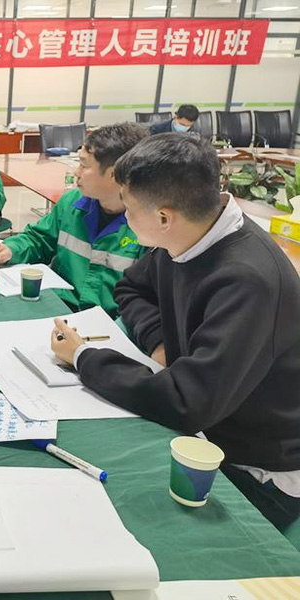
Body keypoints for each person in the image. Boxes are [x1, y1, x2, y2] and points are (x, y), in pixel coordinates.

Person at [51, 133, 300, 532]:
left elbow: (186, 402)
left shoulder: (248, 281)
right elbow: (131, 288)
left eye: (129, 208)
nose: (125, 218)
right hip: (204, 426)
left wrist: (84, 357)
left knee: (124, 518)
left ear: (164, 218)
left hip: (253, 467)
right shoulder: (188, 236)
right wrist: (159, 341)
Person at [0, 123, 149, 317]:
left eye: (83, 165)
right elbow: (40, 239)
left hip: (110, 324)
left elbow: (145, 302)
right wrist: (12, 249)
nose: (76, 172)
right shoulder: (72, 202)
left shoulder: (148, 228)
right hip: (58, 310)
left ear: (114, 174)